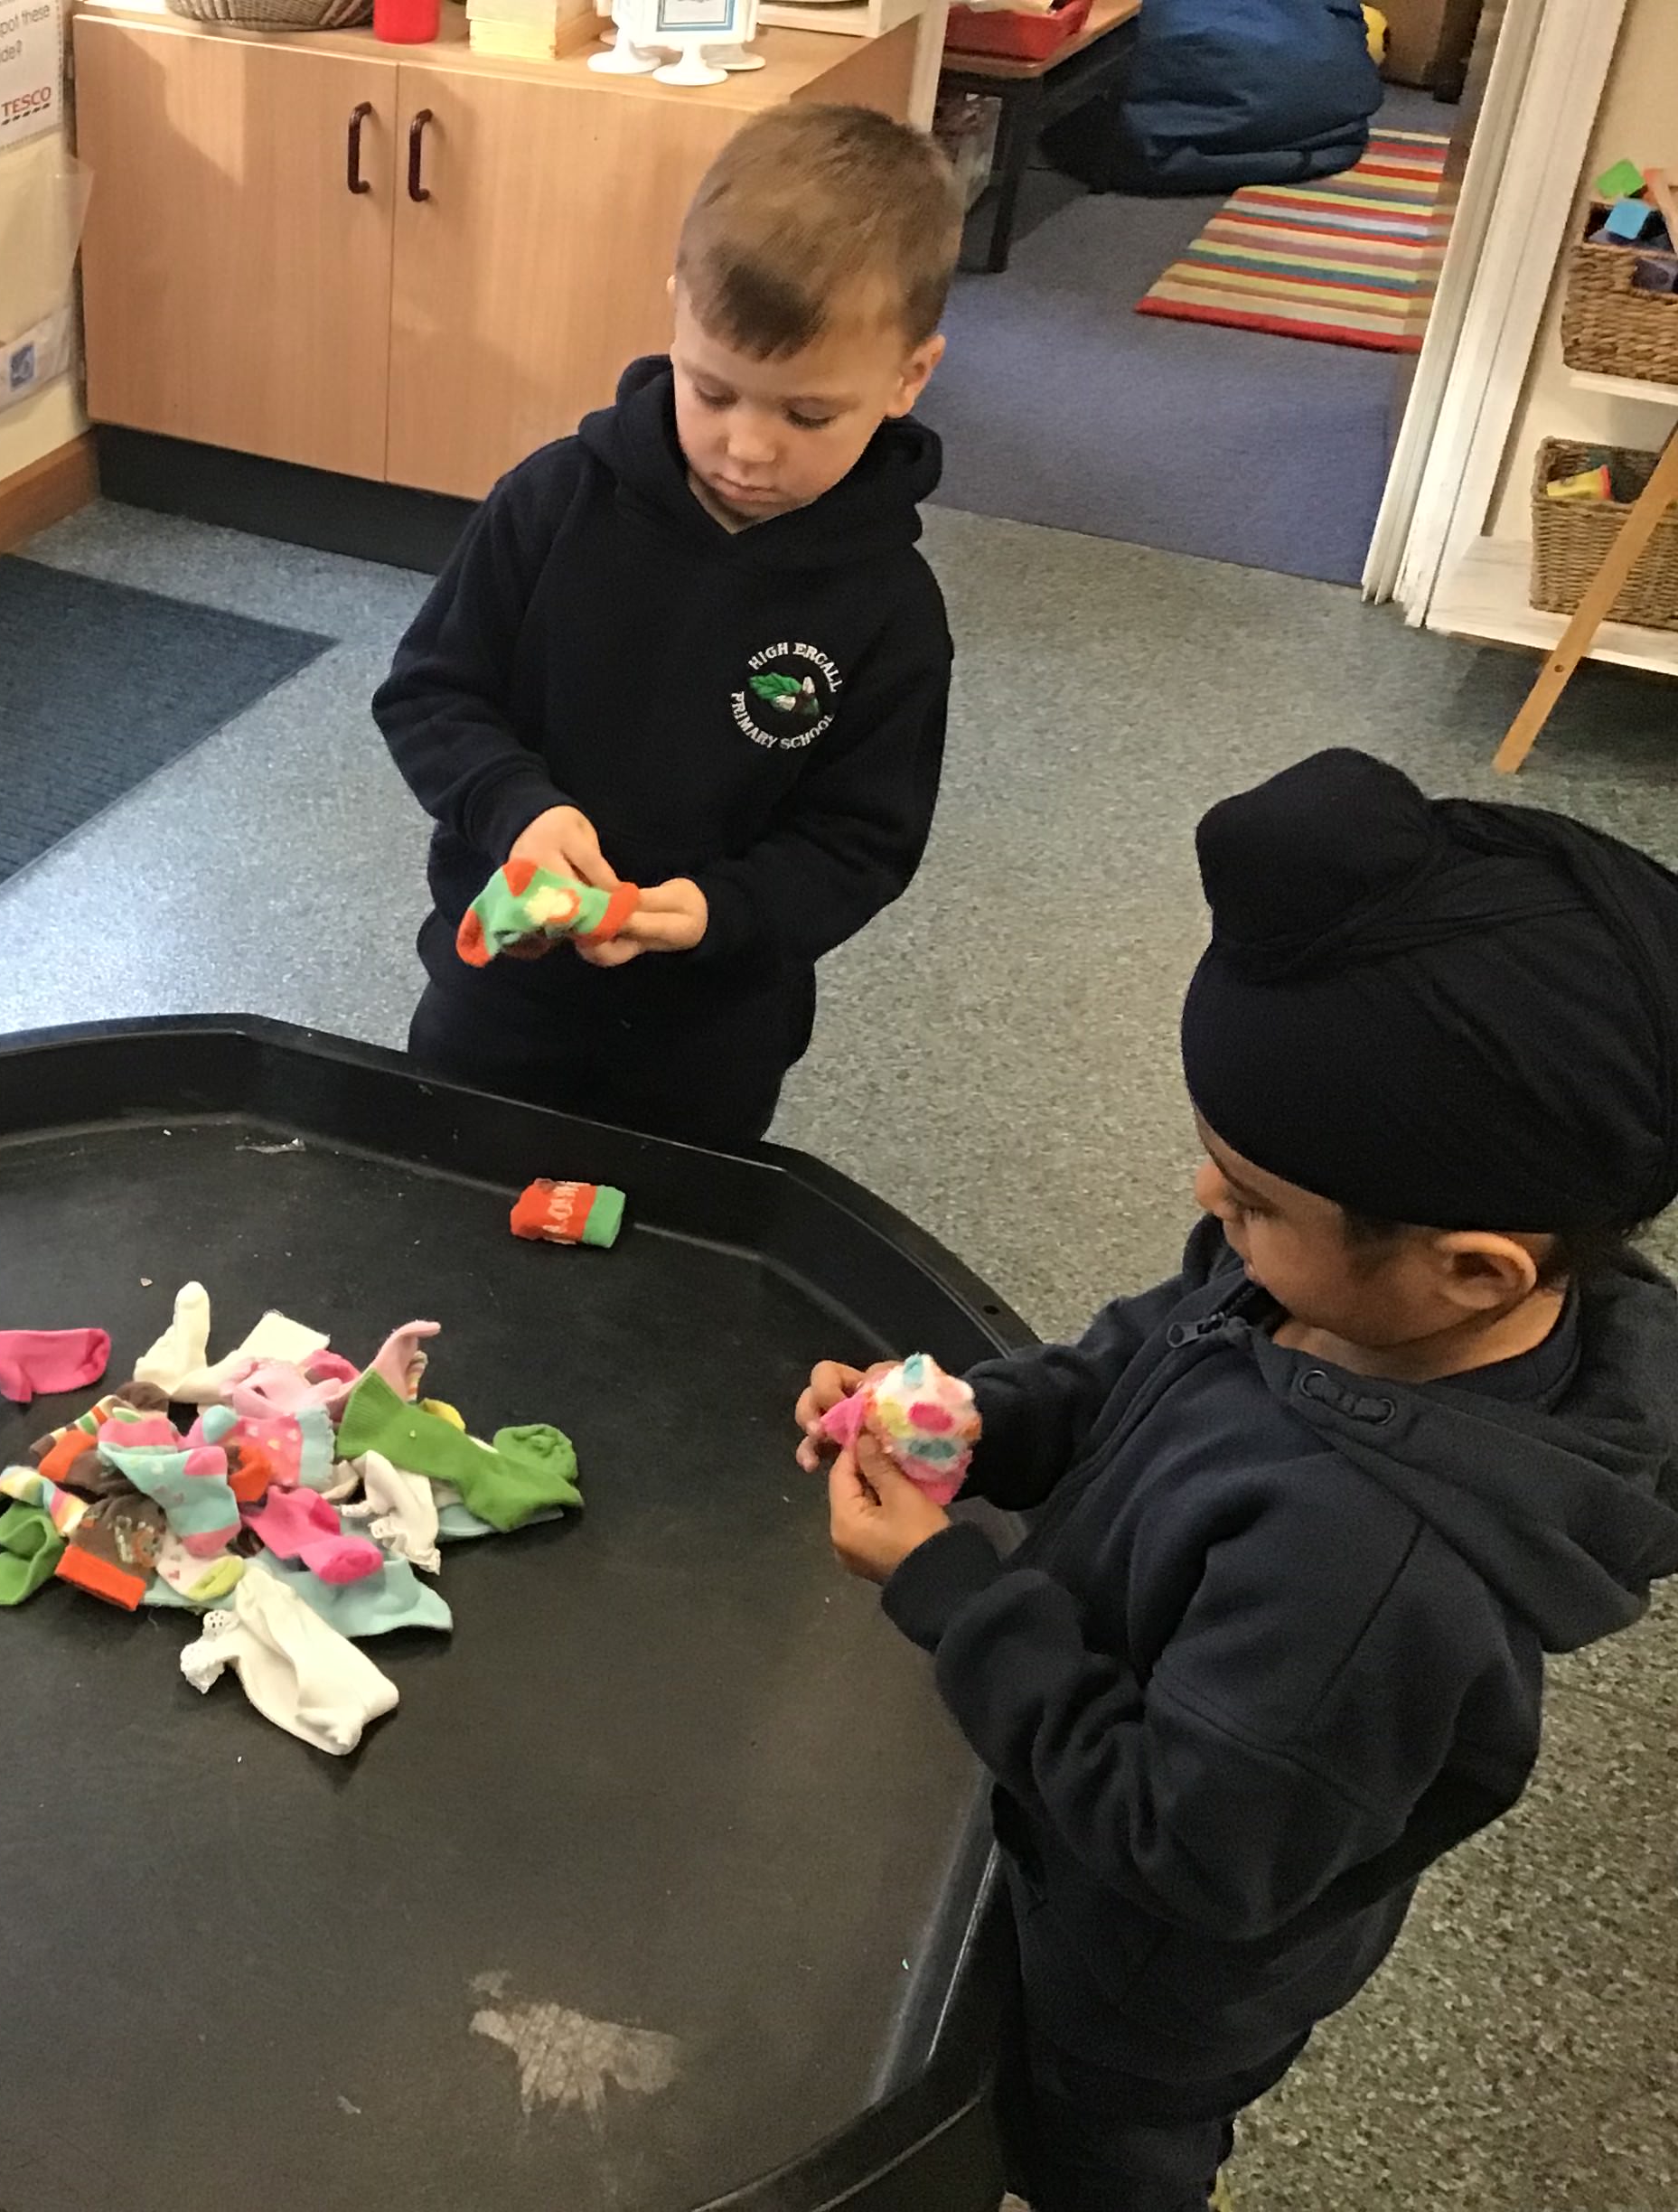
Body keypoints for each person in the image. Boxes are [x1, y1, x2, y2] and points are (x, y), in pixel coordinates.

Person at [799, 748, 1678, 2212]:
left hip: (1139, 1986)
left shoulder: (1371, 1570)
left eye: (1252, 1198)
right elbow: (1136, 1359)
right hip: (1071, 1799)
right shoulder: (1321, 1282)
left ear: (1472, 1271)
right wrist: (969, 1426)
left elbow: (1185, 1847)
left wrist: (951, 1590)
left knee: (1092, 2152)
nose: (1209, 1203)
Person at [378, 100, 961, 1147]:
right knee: (451, 1191)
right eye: (713, 391)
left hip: (709, 1031)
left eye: (807, 414)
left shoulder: (892, 612)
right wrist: (517, 811)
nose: (747, 447)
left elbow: (860, 843)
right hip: (499, 994)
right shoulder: (551, 504)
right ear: (676, 316)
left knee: (666, 1234)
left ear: (908, 378)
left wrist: (716, 911)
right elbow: (431, 693)